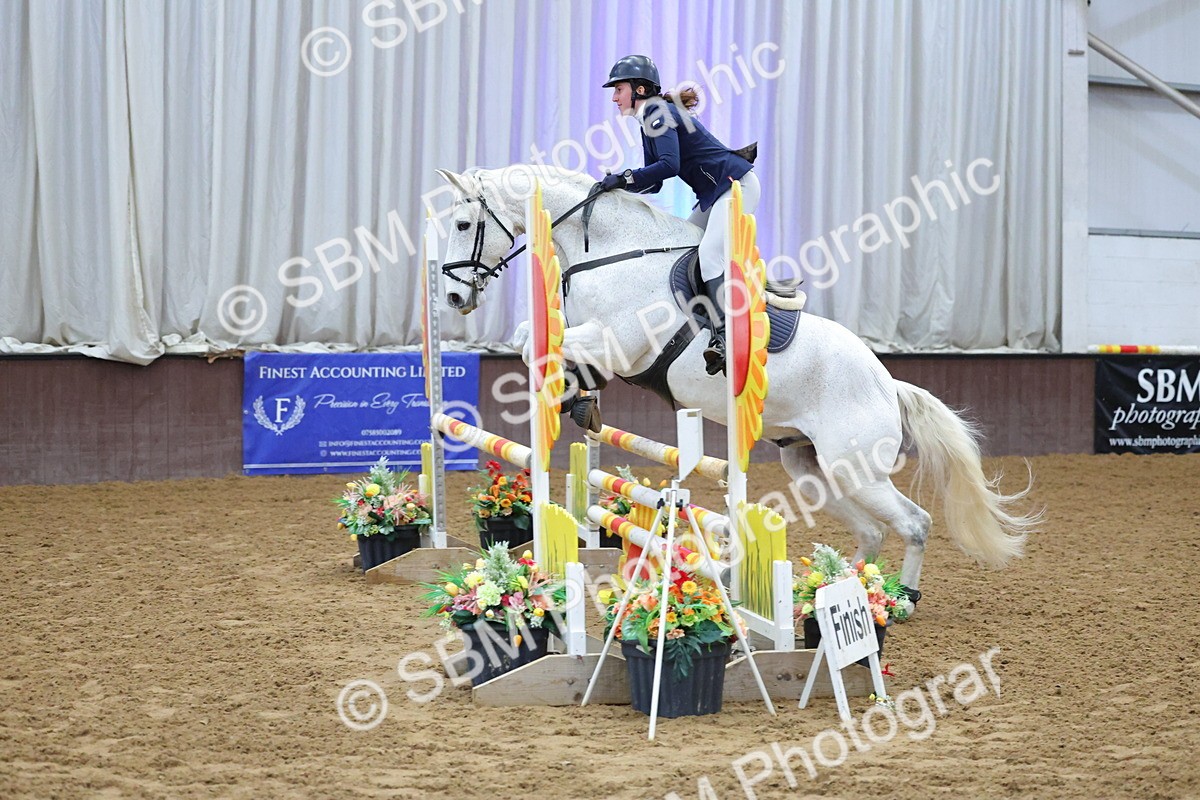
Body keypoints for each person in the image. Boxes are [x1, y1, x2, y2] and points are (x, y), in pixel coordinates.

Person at [597, 54, 760, 376]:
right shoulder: (649, 118)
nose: (614, 98)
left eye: (618, 89)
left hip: (736, 186)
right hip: (716, 194)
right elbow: (655, 181)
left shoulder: (657, 112)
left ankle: (725, 337)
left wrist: (625, 177)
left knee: (710, 255)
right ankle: (706, 320)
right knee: (683, 248)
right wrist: (617, 187)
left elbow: (669, 166)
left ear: (640, 89)